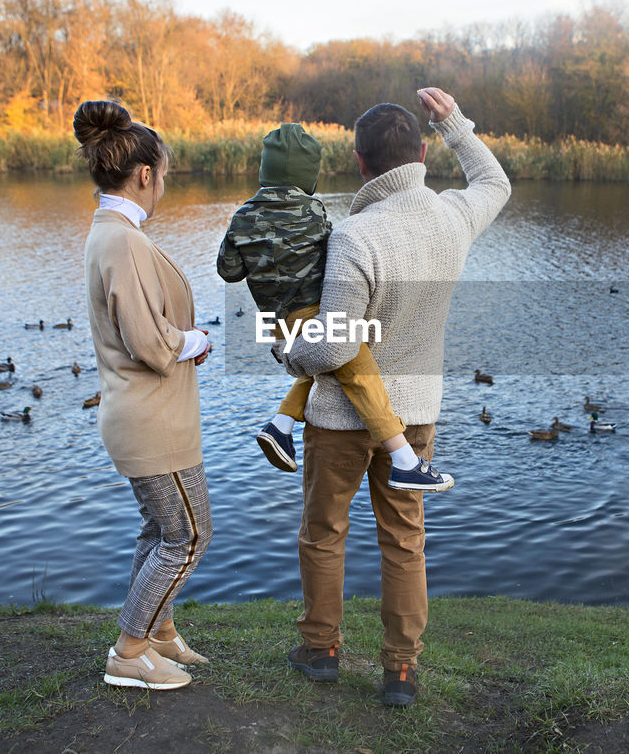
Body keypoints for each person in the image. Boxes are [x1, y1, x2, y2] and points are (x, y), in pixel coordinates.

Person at [280, 87, 510, 706]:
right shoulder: (453, 217)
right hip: (416, 418)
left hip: (338, 418)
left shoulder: (355, 236)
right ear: (423, 156)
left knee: (324, 531)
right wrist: (457, 121)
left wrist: (288, 354)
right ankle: (401, 671)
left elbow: (331, 350)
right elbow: (496, 182)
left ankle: (321, 648)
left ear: (359, 164)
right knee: (405, 539)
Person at [216, 123, 452, 492]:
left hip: (277, 321)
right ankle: (405, 459)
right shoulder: (312, 209)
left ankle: (280, 425)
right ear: (309, 172)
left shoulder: (243, 216)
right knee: (360, 372)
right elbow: (334, 255)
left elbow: (227, 271)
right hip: (310, 313)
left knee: (317, 365)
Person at [76, 100, 214, 691]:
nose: (165, 185)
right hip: (150, 418)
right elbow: (151, 343)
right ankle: (129, 654)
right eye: (165, 174)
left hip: (148, 413)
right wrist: (195, 339)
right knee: (188, 534)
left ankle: (157, 632)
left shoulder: (113, 233)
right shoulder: (123, 242)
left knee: (160, 530)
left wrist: (182, 342)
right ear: (145, 174)